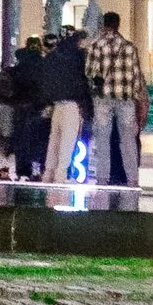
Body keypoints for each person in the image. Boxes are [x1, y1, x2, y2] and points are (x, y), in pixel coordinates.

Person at [84, 8, 146, 188]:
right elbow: (136, 75)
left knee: (103, 139)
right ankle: (132, 179)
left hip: (102, 98)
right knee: (127, 140)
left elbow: (89, 72)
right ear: (118, 25)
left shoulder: (96, 46)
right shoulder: (129, 47)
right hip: (125, 99)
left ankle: (103, 178)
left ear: (104, 25)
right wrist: (136, 97)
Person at [42, 18, 92, 186]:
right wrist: (87, 106)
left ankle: (48, 172)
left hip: (56, 104)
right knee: (68, 141)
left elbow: (46, 81)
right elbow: (82, 82)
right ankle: (60, 175)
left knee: (54, 139)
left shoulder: (52, 56)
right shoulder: (78, 56)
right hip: (72, 104)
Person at [0, 35, 49, 181]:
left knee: (20, 138)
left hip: (19, 106)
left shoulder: (19, 66)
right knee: (37, 140)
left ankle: (21, 170)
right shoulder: (43, 66)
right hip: (37, 107)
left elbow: (10, 86)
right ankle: (35, 169)